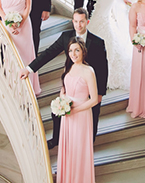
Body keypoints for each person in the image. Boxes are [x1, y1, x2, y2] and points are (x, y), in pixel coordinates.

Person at [18, 8, 108, 149]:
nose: (79, 25)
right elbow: (49, 53)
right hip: (71, 84)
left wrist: (100, 92)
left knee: (93, 114)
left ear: (87, 22)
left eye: (82, 22)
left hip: (89, 85)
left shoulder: (97, 42)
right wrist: (29, 69)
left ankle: (89, 143)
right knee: (58, 112)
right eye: (76, 22)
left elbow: (103, 69)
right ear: (73, 22)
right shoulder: (66, 37)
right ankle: (57, 139)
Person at [0, 0, 41, 95]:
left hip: (24, 24)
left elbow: (28, 6)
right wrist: (9, 24)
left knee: (26, 55)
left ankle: (29, 88)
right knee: (12, 55)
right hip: (8, 25)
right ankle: (14, 87)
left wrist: (20, 22)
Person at [56, 37, 97, 183]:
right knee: (69, 148)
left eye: (77, 50)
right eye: (71, 51)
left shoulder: (88, 71)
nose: (73, 54)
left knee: (79, 148)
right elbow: (64, 88)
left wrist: (75, 109)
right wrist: (62, 100)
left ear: (83, 52)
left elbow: (93, 99)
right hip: (67, 114)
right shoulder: (69, 67)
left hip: (81, 115)